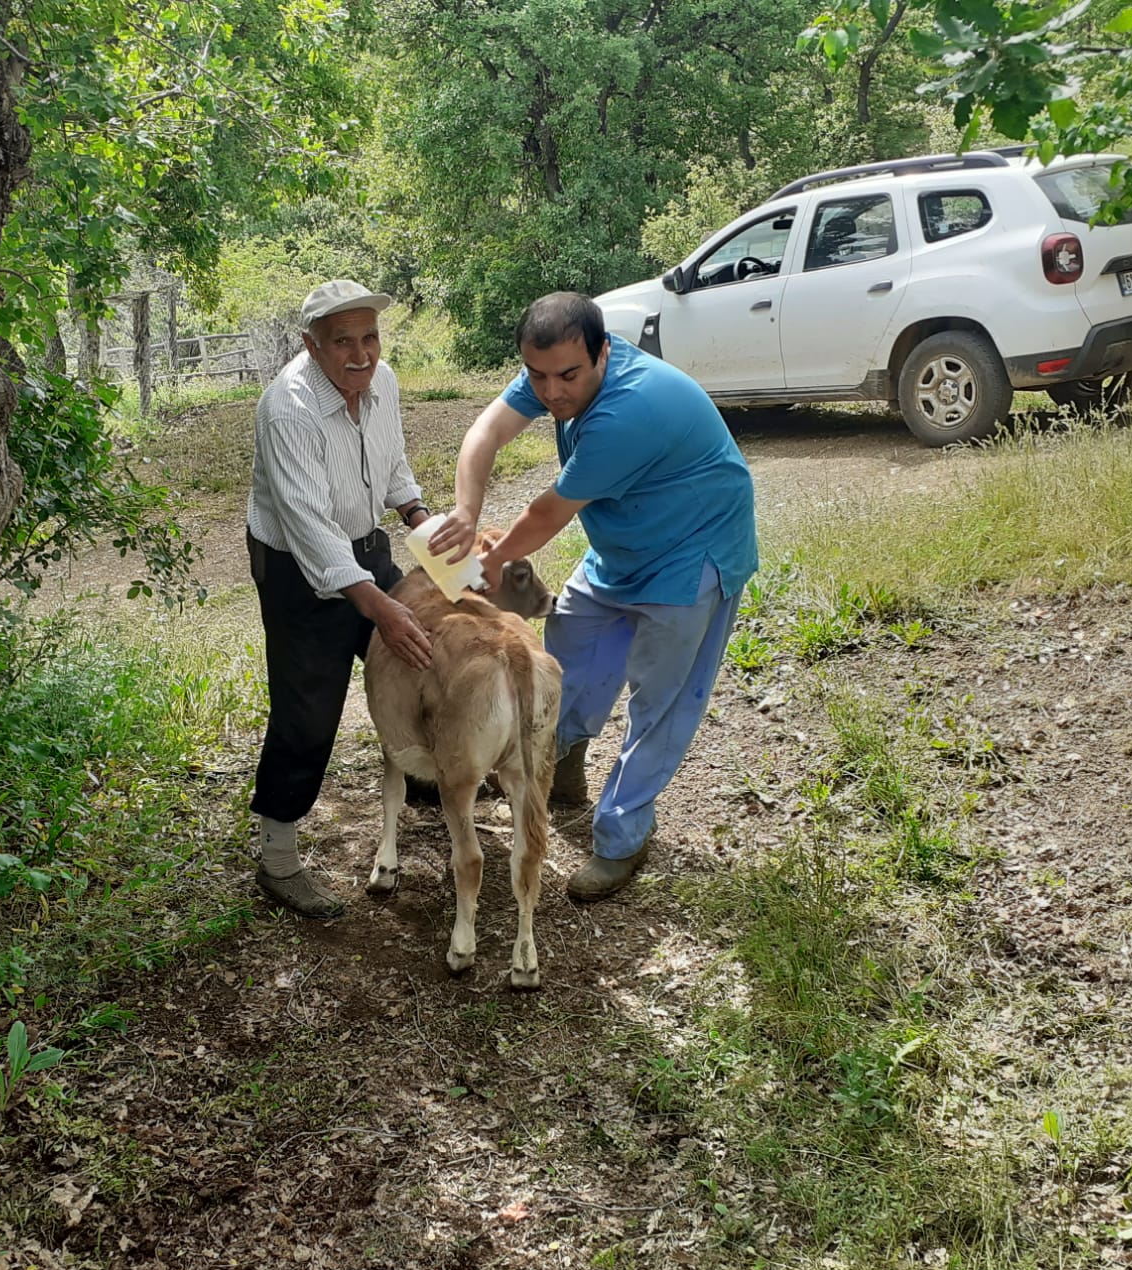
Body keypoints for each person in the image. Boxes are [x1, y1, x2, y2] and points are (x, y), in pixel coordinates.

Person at [431, 292, 758, 901]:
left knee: (659, 704)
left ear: (603, 353)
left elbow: (547, 513)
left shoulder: (626, 411)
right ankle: (564, 763)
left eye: (568, 377)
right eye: (539, 376)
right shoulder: (555, 366)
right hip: (623, 549)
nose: (552, 392)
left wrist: (488, 559)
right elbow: (484, 433)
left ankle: (622, 838)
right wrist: (467, 511)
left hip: (693, 554)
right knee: (567, 657)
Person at [246, 279, 438, 918]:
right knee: (309, 704)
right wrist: (378, 607)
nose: (361, 355)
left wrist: (417, 515)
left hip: (364, 544)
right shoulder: (287, 409)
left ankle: (429, 778)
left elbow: (394, 467)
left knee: (421, 653)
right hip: (295, 564)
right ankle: (277, 858)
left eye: (370, 337)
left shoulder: (383, 385)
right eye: (342, 342)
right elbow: (310, 529)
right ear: (311, 345)